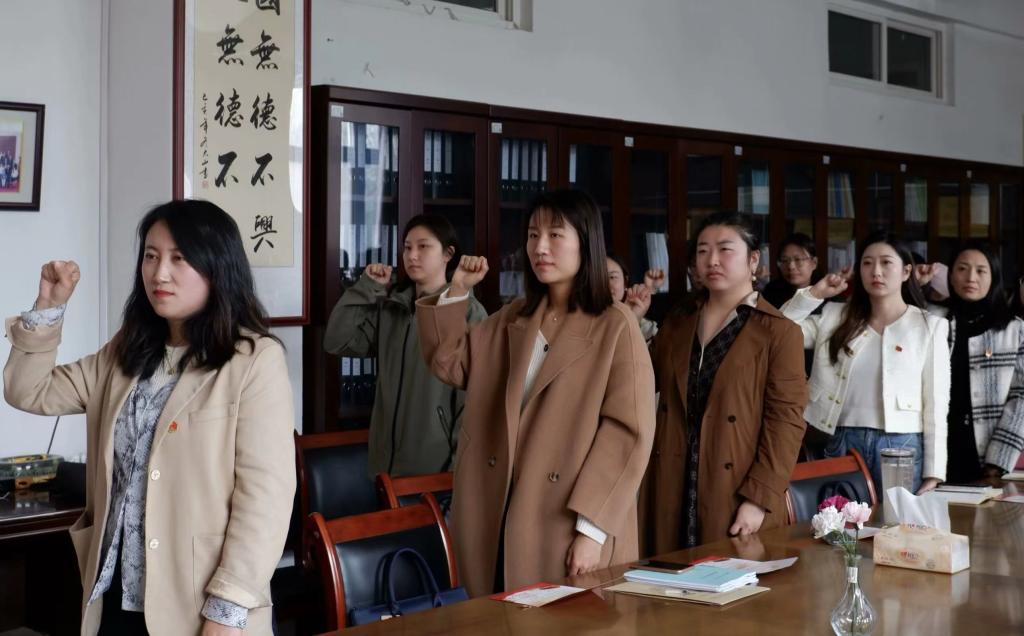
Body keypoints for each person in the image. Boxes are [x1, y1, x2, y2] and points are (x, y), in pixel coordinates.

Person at [3, 200, 295, 635]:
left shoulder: (253, 360)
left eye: (180, 258)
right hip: (113, 595)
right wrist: (49, 306)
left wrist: (227, 609)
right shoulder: (126, 352)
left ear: (217, 267)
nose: (159, 273)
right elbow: (29, 390)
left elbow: (265, 498)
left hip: (199, 604)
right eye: (151, 256)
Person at [415, 189, 654, 597]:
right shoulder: (515, 316)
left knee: (565, 619)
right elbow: (449, 363)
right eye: (532, 234)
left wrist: (592, 531)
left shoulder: (615, 324)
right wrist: (457, 290)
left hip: (568, 519)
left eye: (555, 235)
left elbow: (627, 433)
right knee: (495, 615)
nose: (540, 247)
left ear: (585, 242)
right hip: (497, 512)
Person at [639, 211, 808, 555]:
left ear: (753, 260)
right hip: (672, 477)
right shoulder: (679, 321)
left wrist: (758, 499)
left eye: (725, 249)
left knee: (729, 576)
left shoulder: (779, 332)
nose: (712, 260)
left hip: (736, 486)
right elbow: (640, 379)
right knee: (666, 576)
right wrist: (630, 318)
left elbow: (786, 423)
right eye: (703, 251)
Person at [781, 232, 950, 494]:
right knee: (839, 520)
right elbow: (780, 330)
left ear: (906, 272)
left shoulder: (930, 326)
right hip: (841, 440)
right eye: (867, 263)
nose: (876, 272)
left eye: (886, 263)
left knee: (896, 519)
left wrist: (934, 472)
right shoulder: (835, 316)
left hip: (902, 444)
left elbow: (936, 403)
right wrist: (815, 293)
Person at [324, 214, 486, 478]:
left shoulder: (468, 312)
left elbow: (475, 402)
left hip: (436, 473)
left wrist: (455, 471)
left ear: (448, 254)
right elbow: (336, 341)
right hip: (383, 468)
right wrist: (366, 287)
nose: (412, 255)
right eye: (407, 247)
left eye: (424, 247)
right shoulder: (393, 308)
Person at [927, 242, 1024, 481]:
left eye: (981, 270)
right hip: (935, 451)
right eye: (962, 269)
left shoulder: (1014, 330)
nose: (971, 277)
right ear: (950, 275)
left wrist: (998, 459)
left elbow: (1021, 397)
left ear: (994, 278)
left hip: (987, 454)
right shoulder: (932, 322)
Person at [606, 253, 660, 343]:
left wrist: (632, 318)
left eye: (612, 277)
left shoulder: (647, 329)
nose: (605, 284)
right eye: (598, 278)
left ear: (625, 282)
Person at [761, 233, 819, 309]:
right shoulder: (771, 291)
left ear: (814, 263)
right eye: (785, 260)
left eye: (798, 259)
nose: (791, 267)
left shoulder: (826, 292)